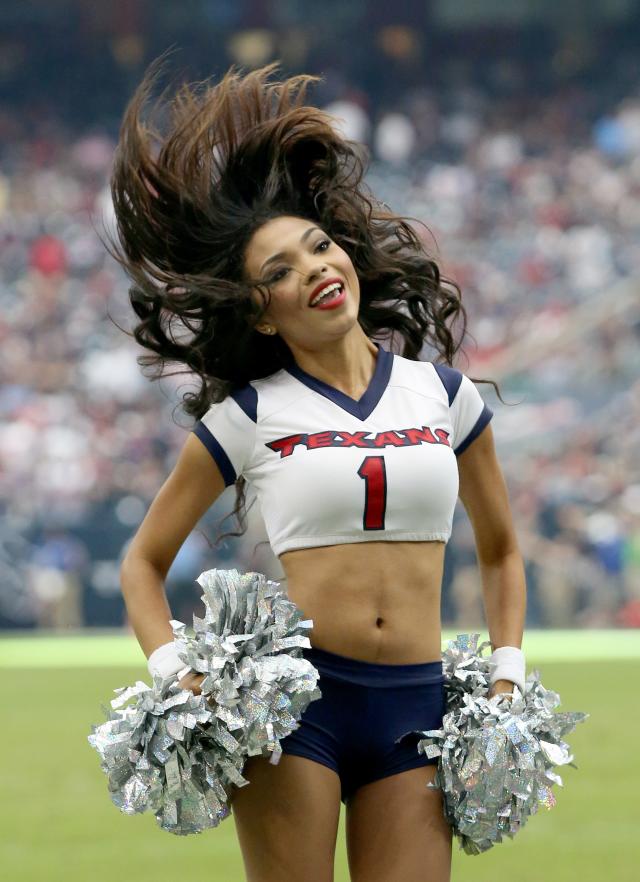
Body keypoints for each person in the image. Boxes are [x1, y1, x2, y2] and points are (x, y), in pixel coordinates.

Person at [106, 53, 526, 882]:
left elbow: (503, 549)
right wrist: (174, 674)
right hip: (294, 708)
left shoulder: (445, 397)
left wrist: (508, 673)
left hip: (417, 701)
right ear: (261, 313)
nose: (317, 272)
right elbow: (142, 563)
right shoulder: (248, 416)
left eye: (319, 247)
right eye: (281, 274)